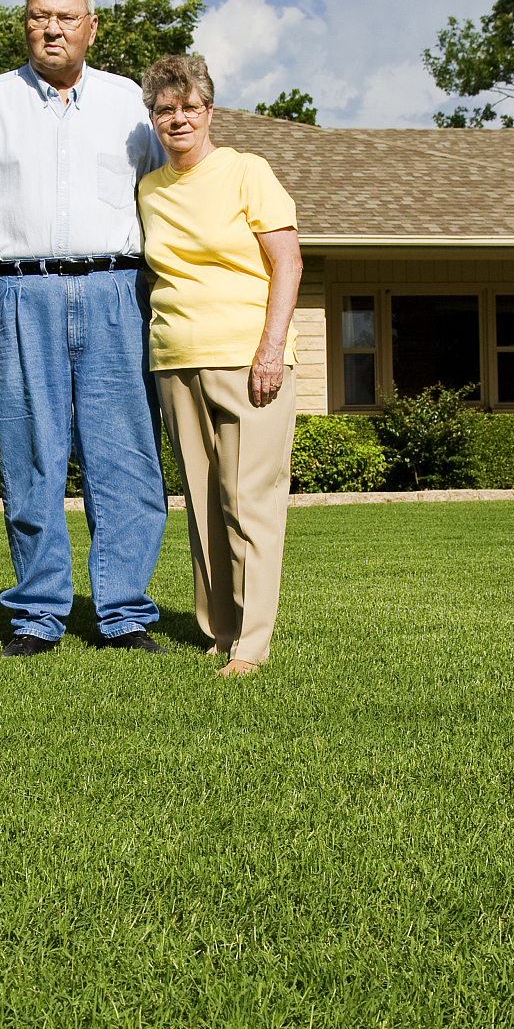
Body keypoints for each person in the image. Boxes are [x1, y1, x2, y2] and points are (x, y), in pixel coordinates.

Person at [0, 0, 168, 658]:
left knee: (126, 461)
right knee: (30, 460)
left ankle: (123, 613)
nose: (52, 28)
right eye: (39, 16)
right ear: (25, 24)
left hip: (116, 294)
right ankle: (38, 614)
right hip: (15, 294)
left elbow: (167, 200)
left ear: (91, 27)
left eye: (66, 17)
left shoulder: (128, 101)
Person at [137, 53, 303, 677]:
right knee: (204, 503)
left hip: (246, 358)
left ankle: (252, 644)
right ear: (153, 117)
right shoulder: (150, 190)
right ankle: (219, 631)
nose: (177, 119)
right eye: (164, 109)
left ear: (209, 111)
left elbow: (288, 263)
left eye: (189, 107)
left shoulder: (246, 172)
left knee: (249, 500)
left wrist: (270, 348)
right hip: (176, 358)